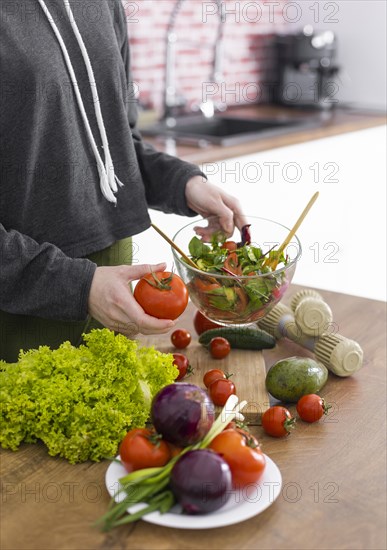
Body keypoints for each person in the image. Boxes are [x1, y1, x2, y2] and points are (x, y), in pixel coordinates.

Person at [0, 0, 245, 362]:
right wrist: (79, 287)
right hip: (23, 307)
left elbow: (117, 142)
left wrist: (183, 184)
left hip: (114, 281)